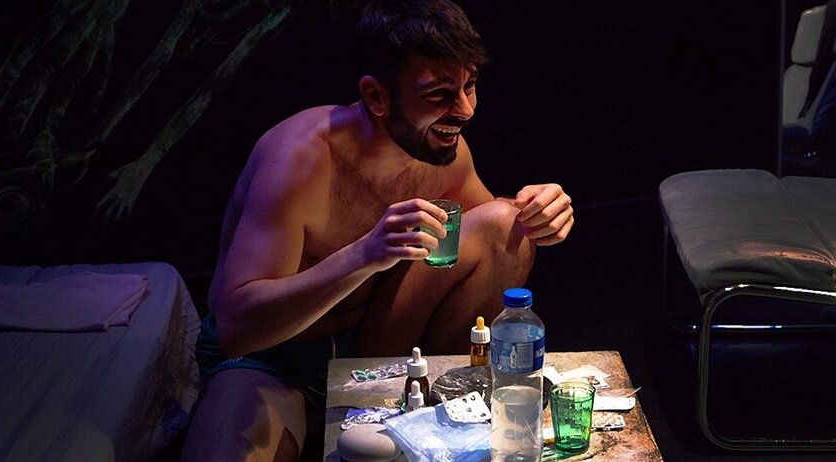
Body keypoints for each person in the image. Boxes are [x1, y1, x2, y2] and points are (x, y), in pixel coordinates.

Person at [180, 1, 574, 461]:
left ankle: (442, 400)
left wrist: (540, 212)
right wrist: (364, 254)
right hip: (271, 358)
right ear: (376, 97)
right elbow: (236, 329)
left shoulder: (442, 150)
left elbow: (493, 227)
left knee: (507, 225)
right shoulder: (299, 158)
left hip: (371, 346)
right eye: (439, 95)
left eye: (469, 86)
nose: (465, 110)